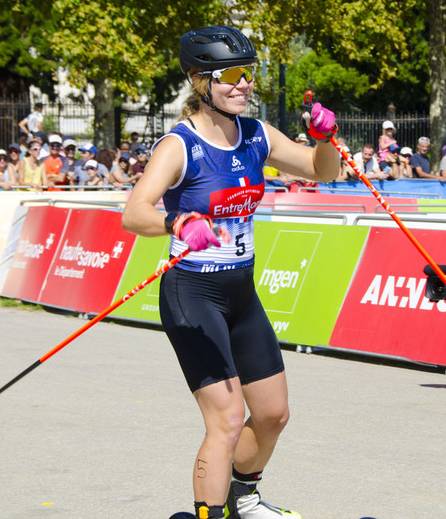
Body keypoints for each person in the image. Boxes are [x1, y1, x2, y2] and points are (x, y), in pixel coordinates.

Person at [121, 25, 338, 519]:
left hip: (240, 291)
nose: (245, 85)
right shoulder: (180, 145)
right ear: (202, 83)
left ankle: (244, 496)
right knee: (226, 418)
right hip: (192, 292)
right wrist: (177, 222)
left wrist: (327, 138)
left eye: (250, 75)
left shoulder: (257, 134)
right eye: (233, 76)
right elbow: (133, 212)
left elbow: (324, 171)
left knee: (272, 415)